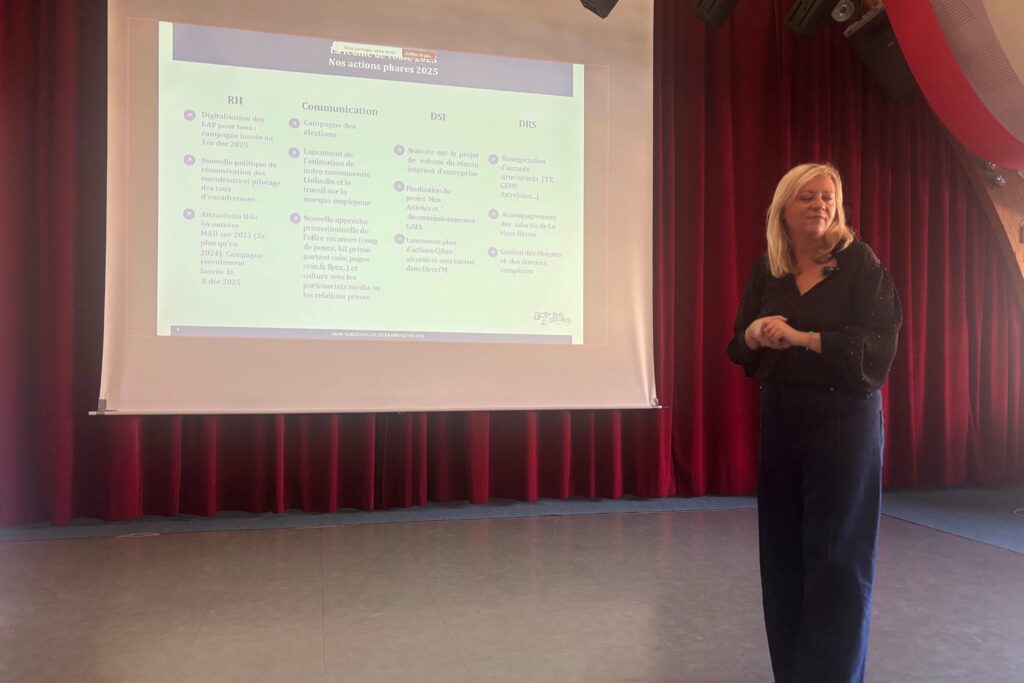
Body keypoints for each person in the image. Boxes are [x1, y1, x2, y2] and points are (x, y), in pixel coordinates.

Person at [727, 163, 901, 683]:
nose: (820, 206)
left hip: (844, 420)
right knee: (782, 557)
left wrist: (802, 338)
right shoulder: (769, 270)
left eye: (828, 197)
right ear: (784, 207)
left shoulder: (858, 264)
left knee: (837, 561)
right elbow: (737, 345)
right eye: (807, 197)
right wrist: (757, 333)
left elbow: (879, 346)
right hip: (782, 417)